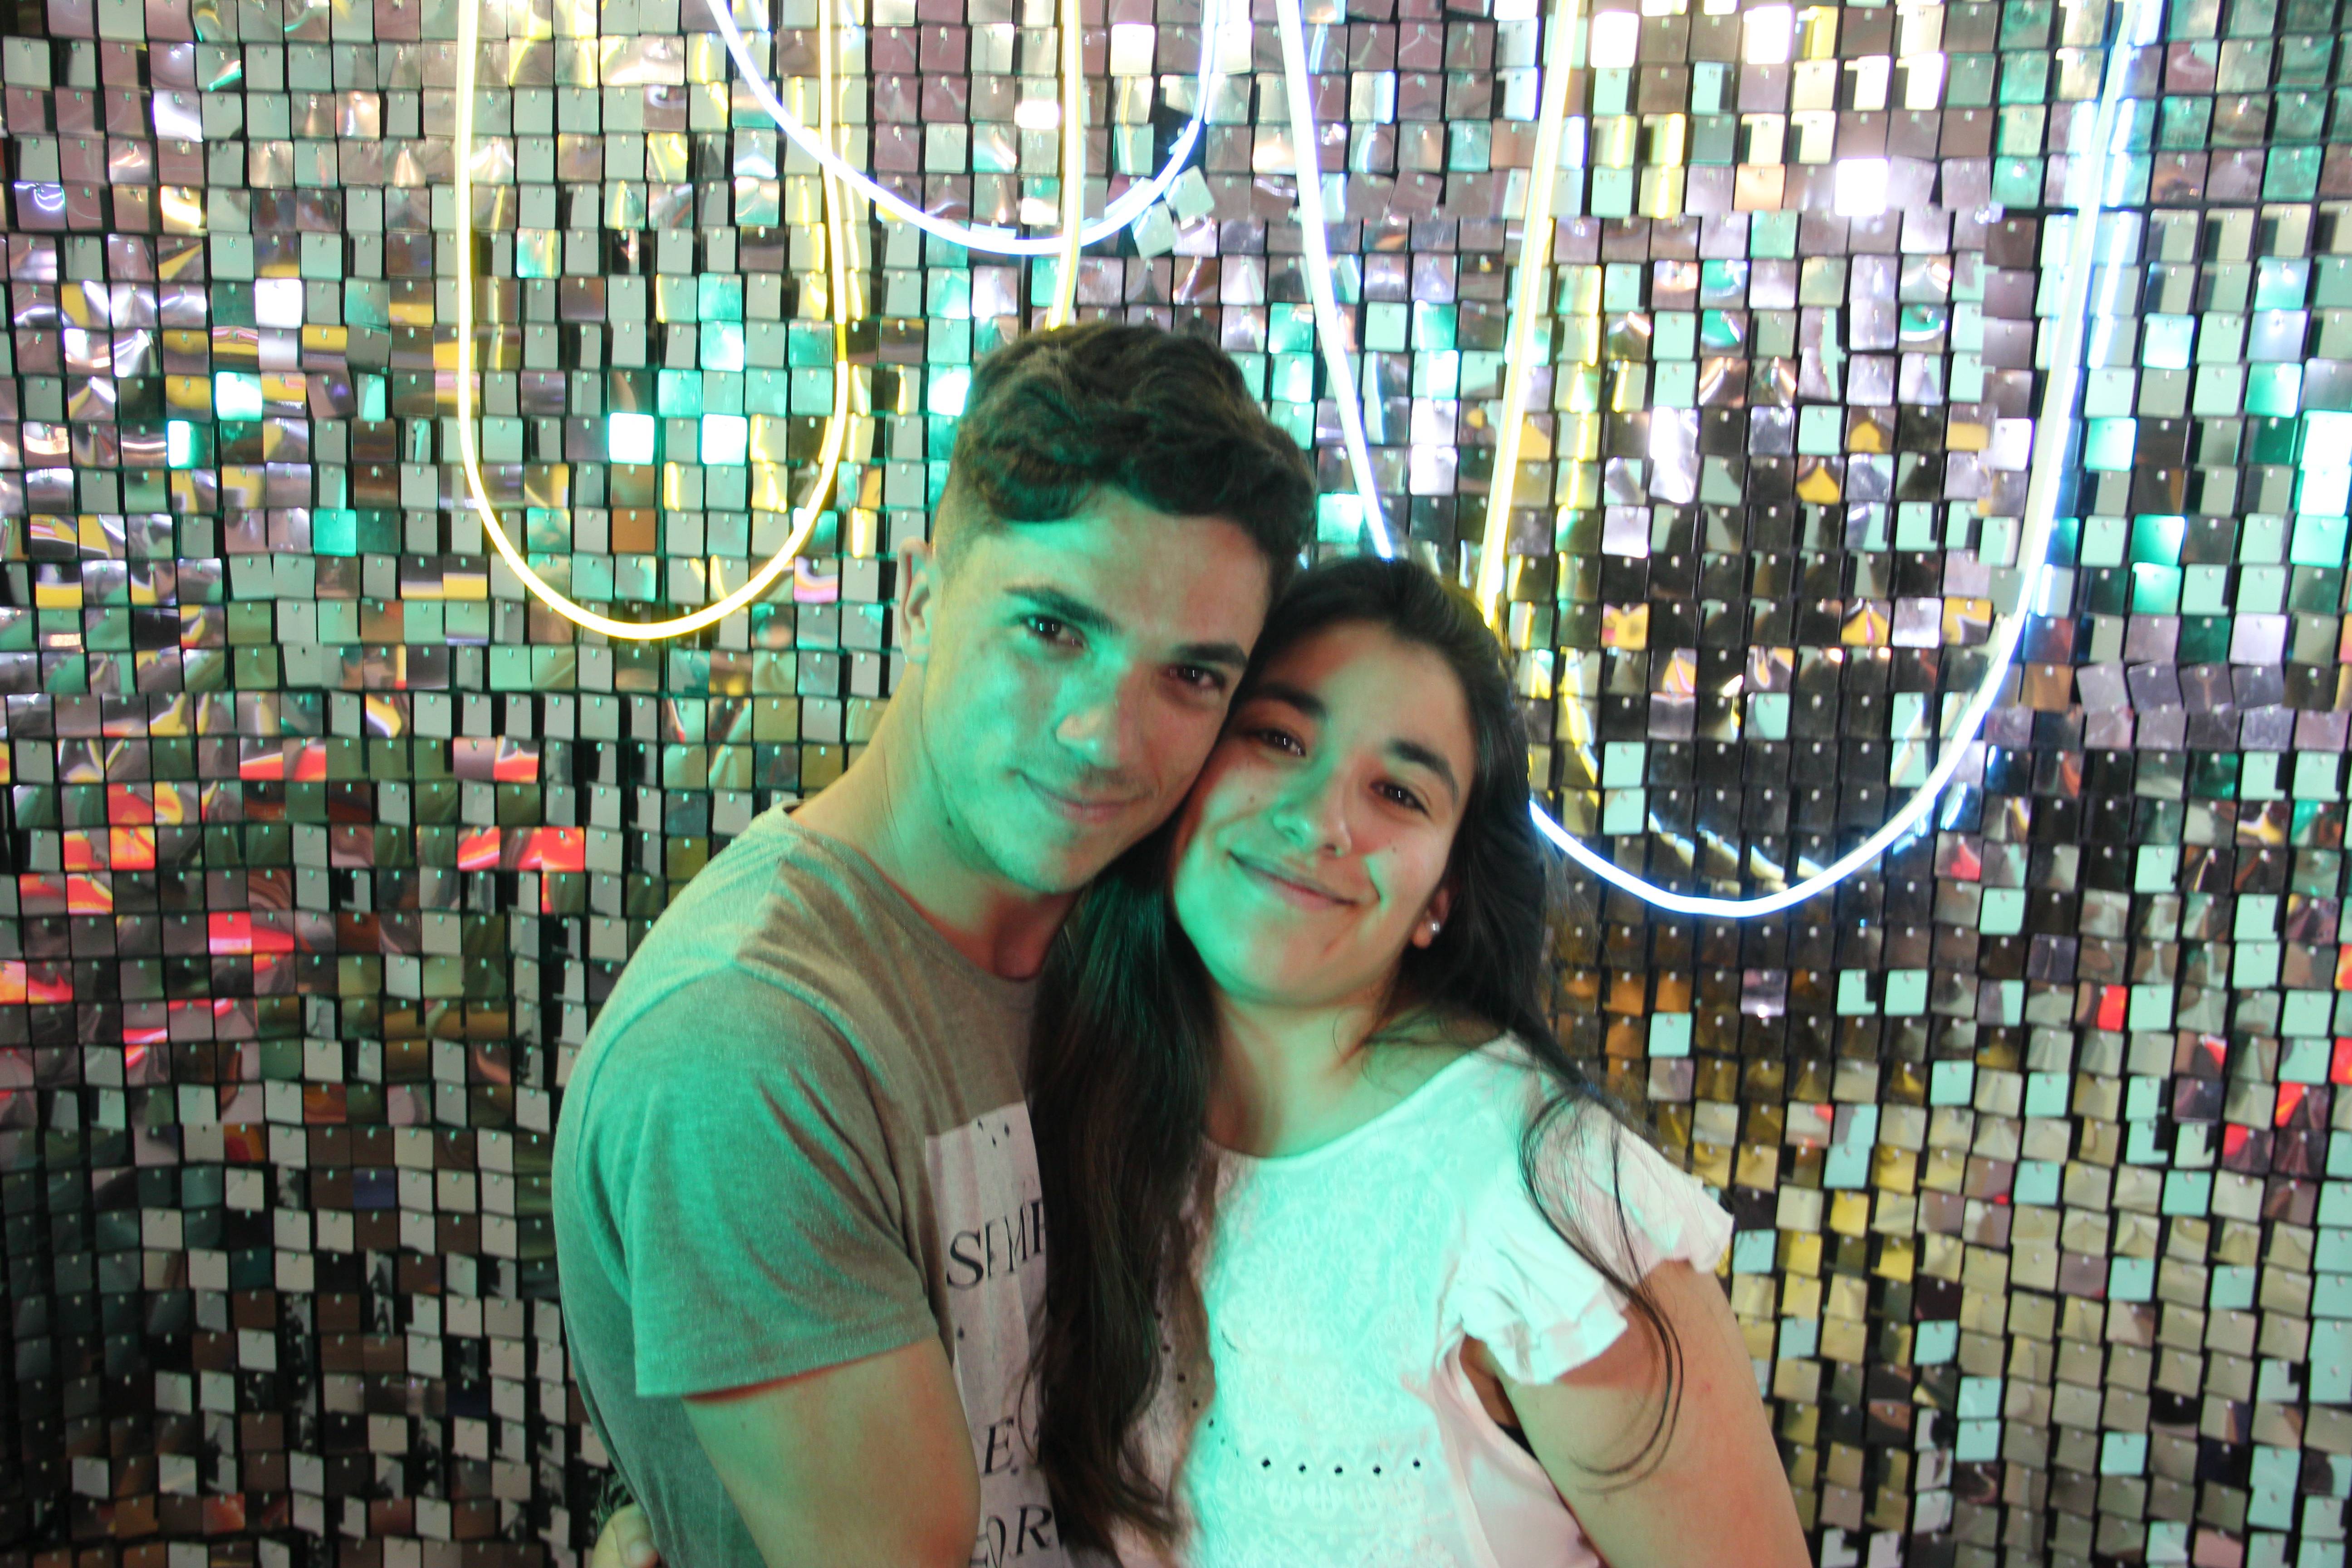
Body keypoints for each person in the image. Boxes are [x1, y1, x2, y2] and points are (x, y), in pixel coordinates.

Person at [595, 555, 1812, 1566]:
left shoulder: (1539, 1200)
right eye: (1277, 739)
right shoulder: (1094, 1097)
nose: (1320, 819)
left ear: (1443, 893)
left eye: (1399, 792)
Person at [551, 320, 1315, 1568]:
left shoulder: (1146, 942)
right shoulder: (749, 1048)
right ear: (919, 598)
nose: (1105, 737)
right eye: (1052, 629)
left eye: (1189, 677)